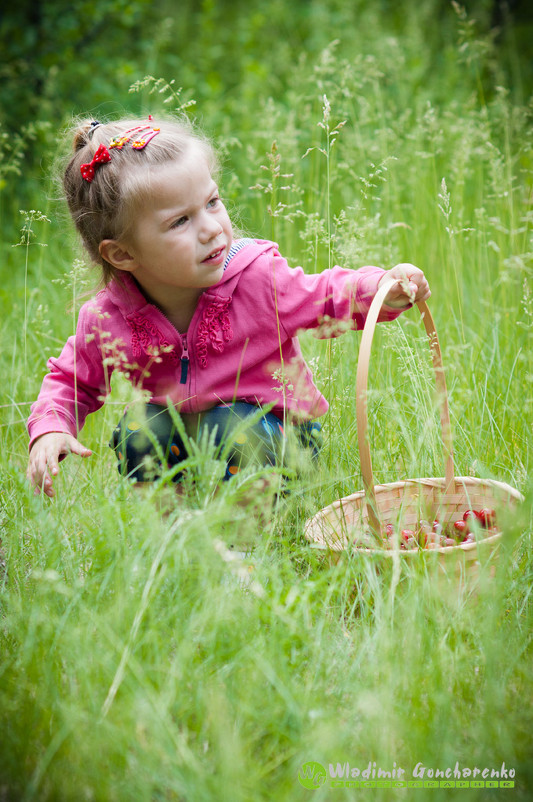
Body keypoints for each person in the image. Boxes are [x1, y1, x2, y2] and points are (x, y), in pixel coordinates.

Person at [27, 115, 431, 498]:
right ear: (123, 254)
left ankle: (245, 545)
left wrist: (379, 285)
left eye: (212, 202)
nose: (211, 228)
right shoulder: (107, 319)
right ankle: (180, 532)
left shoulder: (257, 280)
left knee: (231, 424)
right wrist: (51, 427)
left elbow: (324, 293)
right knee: (139, 428)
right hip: (187, 442)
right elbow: (71, 380)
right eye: (180, 221)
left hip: (278, 439)